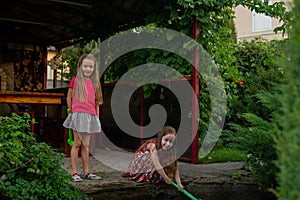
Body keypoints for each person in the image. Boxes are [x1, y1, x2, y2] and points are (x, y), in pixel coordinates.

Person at [63, 54, 103, 182]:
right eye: (85, 66)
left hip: (90, 116)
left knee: (86, 145)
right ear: (80, 66)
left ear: (94, 68)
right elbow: (69, 97)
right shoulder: (75, 80)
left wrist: (96, 117)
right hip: (78, 115)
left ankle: (86, 172)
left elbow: (97, 102)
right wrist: (71, 112)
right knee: (77, 143)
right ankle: (74, 172)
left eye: (90, 67)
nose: (87, 69)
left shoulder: (95, 83)